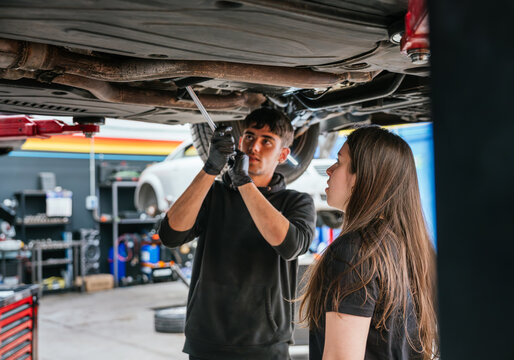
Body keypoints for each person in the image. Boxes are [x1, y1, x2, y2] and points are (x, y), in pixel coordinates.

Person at [158, 107, 316, 360]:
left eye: (267, 141)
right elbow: (170, 235)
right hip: (207, 340)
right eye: (250, 137)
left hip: (265, 343)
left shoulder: (296, 202)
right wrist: (210, 169)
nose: (255, 147)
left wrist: (244, 182)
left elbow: (289, 245)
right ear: (240, 142)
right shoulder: (214, 194)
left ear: (283, 154)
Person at [300, 126, 438, 360]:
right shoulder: (408, 248)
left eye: (339, 162)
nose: (330, 170)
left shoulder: (354, 252)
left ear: (364, 176)